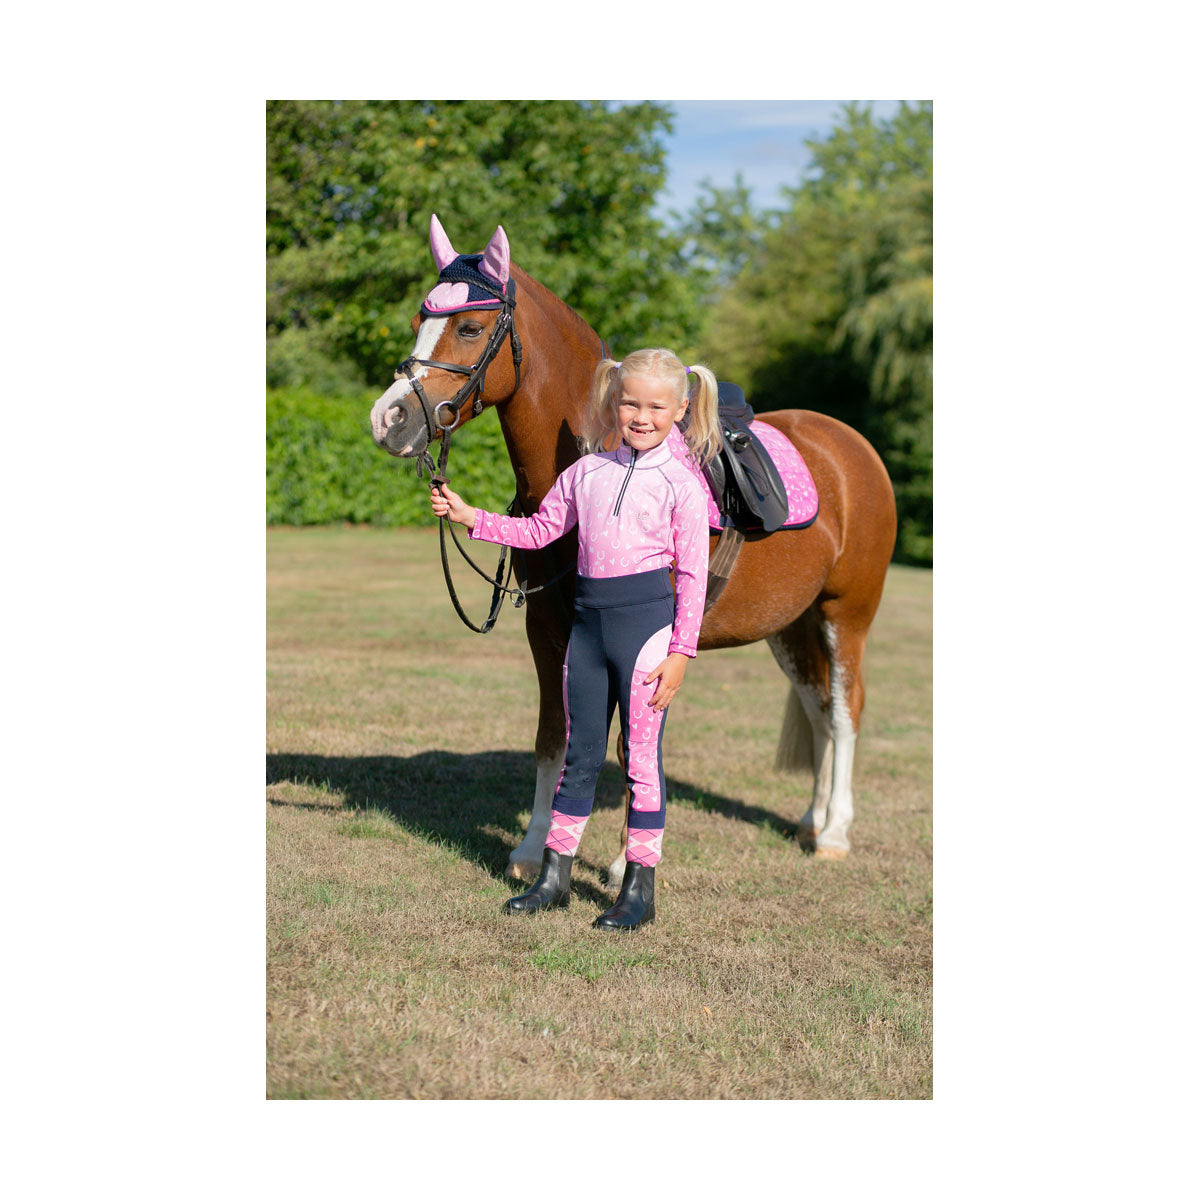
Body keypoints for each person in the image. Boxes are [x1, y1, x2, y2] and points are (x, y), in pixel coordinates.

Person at [430, 348, 721, 930]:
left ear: (681, 409)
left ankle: (639, 889)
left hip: (646, 636)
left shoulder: (682, 486)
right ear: (614, 401)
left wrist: (681, 653)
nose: (641, 417)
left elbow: (693, 576)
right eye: (631, 403)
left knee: (641, 762)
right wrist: (471, 516)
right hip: (586, 632)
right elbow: (540, 530)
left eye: (656, 407)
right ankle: (554, 878)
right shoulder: (586, 473)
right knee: (579, 756)